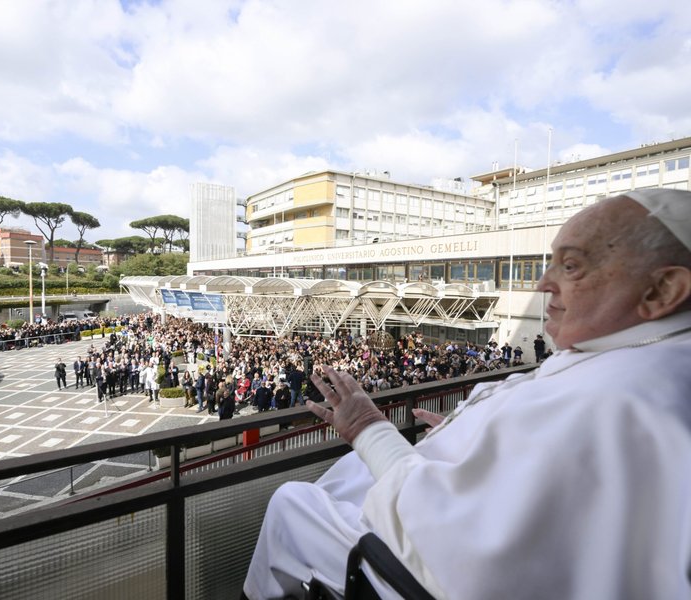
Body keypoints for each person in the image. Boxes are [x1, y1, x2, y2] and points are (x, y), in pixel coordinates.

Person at [243, 189, 691, 600]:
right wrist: (480, 439)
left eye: (571, 266)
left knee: (292, 503)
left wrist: (367, 426)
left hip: (420, 572)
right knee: (354, 472)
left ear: (662, 289)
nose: (543, 284)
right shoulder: (645, 360)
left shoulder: (618, 395)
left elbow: (467, 545)